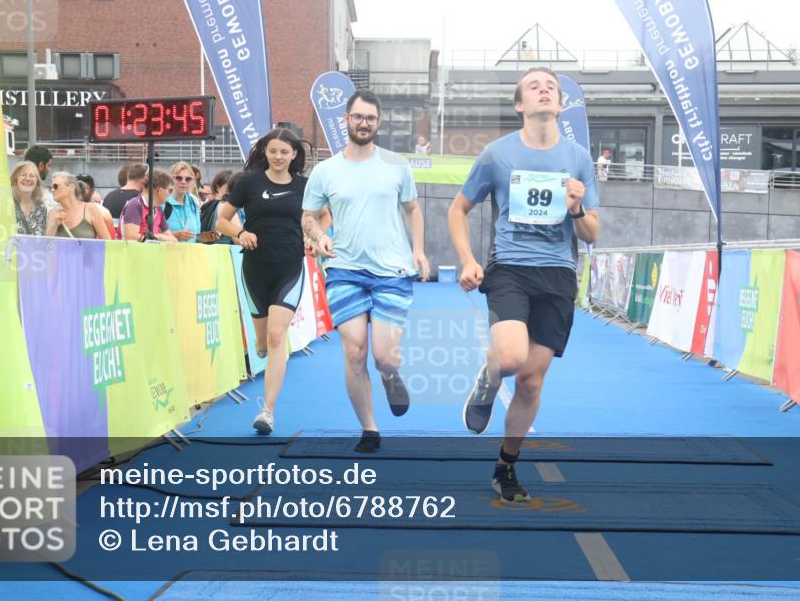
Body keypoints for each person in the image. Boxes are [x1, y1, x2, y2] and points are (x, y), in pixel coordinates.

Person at [447, 67, 600, 502]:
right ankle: (490, 374)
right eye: (534, 86)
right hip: (510, 267)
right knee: (511, 358)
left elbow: (593, 234)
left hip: (557, 275)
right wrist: (467, 259)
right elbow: (457, 210)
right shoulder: (497, 154)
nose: (545, 89)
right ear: (520, 105)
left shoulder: (579, 159)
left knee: (532, 381)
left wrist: (575, 209)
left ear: (561, 104)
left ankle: (505, 467)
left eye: (551, 86)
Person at [302, 90, 430, 453]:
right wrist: (319, 236)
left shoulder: (396, 165)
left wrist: (418, 250)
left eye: (370, 118)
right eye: (357, 117)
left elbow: (412, 209)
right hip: (344, 269)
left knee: (383, 356)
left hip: (392, 271)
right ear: (346, 119)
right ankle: (370, 428)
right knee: (355, 352)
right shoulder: (325, 171)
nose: (363, 123)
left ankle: (390, 375)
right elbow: (308, 217)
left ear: (379, 122)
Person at [216, 130, 322, 434]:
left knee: (278, 336)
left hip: (289, 267)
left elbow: (322, 217)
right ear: (266, 152)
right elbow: (222, 220)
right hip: (255, 269)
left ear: (293, 155)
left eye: (284, 152)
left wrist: (314, 237)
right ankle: (261, 345)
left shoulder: (305, 186)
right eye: (273, 151)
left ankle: (268, 411)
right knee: (263, 342)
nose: (278, 157)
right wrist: (239, 233)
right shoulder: (248, 182)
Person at [45, 172, 112, 240]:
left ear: (71, 187)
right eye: (51, 187)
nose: (52, 190)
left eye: (55, 186)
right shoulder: (53, 213)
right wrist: (54, 225)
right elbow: (46, 245)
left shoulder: (90, 209)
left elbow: (108, 242)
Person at [120, 169, 177, 242]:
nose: (170, 194)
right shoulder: (135, 205)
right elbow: (131, 237)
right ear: (159, 190)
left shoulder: (158, 209)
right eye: (170, 190)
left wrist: (157, 237)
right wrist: (159, 237)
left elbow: (171, 238)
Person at [103, 162, 148, 238]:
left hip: (110, 243)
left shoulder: (109, 196)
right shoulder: (140, 200)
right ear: (143, 180)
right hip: (128, 244)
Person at [167, 161, 202, 243]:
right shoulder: (162, 202)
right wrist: (175, 235)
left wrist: (206, 238)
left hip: (190, 254)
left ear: (192, 181)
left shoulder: (194, 202)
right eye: (179, 178)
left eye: (188, 179)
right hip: (168, 254)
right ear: (172, 179)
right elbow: (152, 234)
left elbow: (197, 235)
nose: (183, 182)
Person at [11, 160, 47, 236]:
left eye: (32, 176)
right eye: (23, 175)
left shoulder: (42, 209)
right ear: (15, 180)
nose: (28, 179)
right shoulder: (7, 205)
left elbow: (47, 240)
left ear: (37, 182)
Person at [200, 170, 236, 245]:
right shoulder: (226, 206)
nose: (232, 189)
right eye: (229, 186)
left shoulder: (207, 206)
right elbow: (237, 239)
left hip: (209, 251)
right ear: (217, 187)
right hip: (226, 252)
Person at [76, 174, 116, 238]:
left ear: (92, 190)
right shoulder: (65, 211)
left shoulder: (103, 213)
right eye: (78, 188)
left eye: (85, 188)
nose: (81, 191)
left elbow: (109, 241)